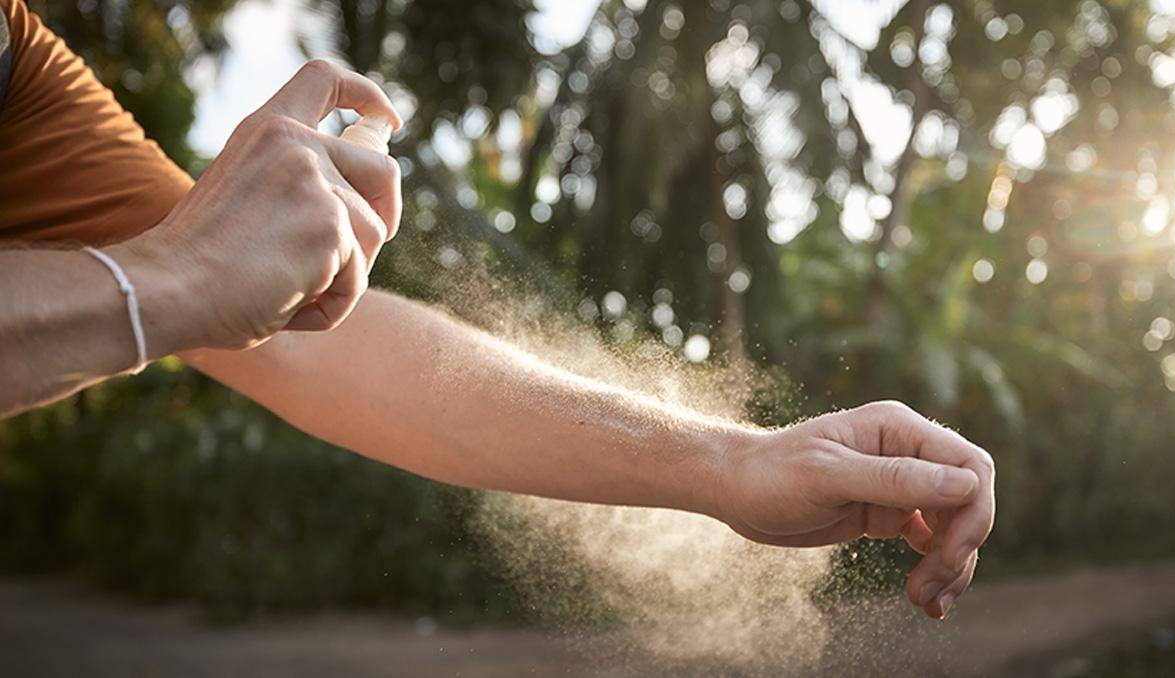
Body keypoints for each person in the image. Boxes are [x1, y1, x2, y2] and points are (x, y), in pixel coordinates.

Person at [0, 0, 993, 621]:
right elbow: (187, 283)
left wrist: (737, 461)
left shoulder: (20, 67)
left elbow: (316, 344)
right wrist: (162, 286)